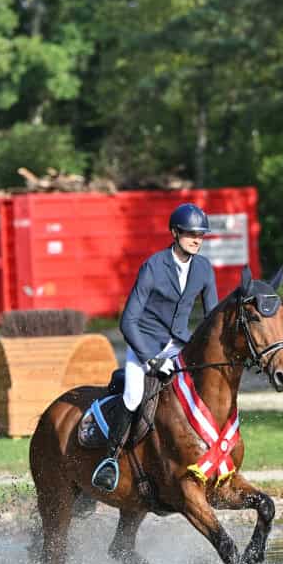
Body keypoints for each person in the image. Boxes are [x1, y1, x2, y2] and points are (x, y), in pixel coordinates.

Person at [91, 202, 219, 492]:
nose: (197, 239)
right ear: (175, 233)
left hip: (179, 348)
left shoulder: (204, 268)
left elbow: (211, 318)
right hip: (145, 345)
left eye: (201, 234)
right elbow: (128, 321)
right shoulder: (153, 266)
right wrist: (149, 360)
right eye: (190, 234)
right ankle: (109, 461)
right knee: (135, 397)